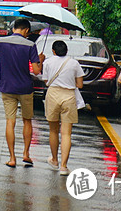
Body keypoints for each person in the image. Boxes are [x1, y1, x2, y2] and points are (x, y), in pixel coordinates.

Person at [0, 17, 41, 169]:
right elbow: (37, 71)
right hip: (25, 88)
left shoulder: (0, 42)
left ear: (13, 28)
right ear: (25, 30)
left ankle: (12, 158)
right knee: (27, 120)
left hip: (7, 88)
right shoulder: (30, 45)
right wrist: (41, 60)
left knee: (10, 122)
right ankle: (26, 154)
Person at [41, 39, 84, 176]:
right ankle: (64, 167)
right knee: (66, 133)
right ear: (66, 51)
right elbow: (80, 85)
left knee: (53, 131)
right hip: (69, 96)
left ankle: (54, 160)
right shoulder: (74, 63)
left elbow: (46, 80)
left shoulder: (47, 62)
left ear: (53, 51)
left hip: (53, 94)